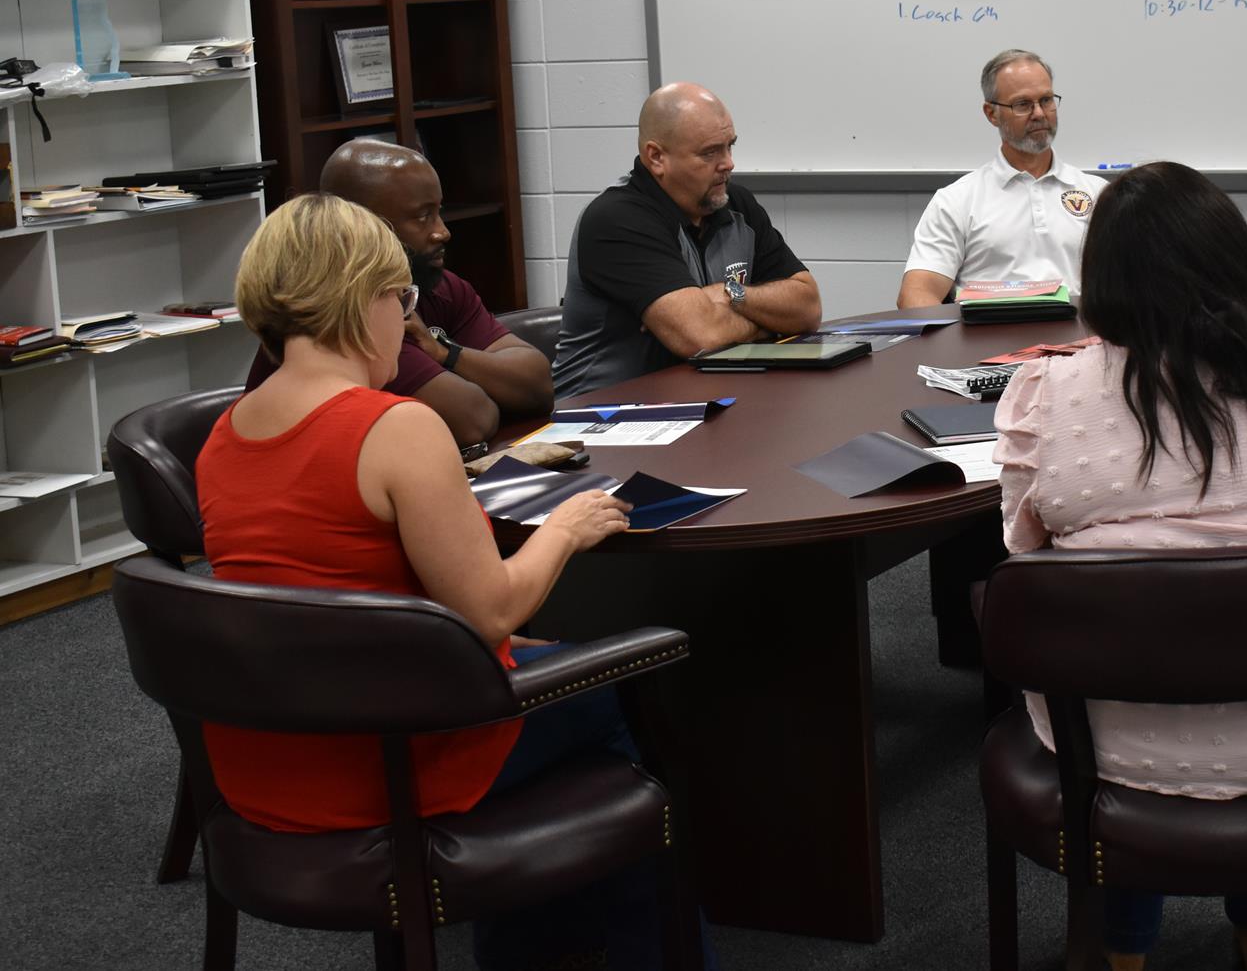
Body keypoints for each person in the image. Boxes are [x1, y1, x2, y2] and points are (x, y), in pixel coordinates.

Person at [198, 193, 689, 969]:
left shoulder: (225, 436)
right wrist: (566, 529)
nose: (408, 319)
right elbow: (491, 609)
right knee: (613, 702)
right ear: (361, 297)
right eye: (402, 298)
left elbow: (338, 596)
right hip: (388, 762)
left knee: (547, 663)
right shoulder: (396, 426)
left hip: (266, 764)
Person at [994, 161, 1247, 971]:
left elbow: (1025, 557)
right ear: (1235, 259)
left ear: (1101, 276)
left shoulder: (1046, 393)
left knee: (1119, 667)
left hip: (1106, 752)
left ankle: (1123, 945)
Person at [245, 139, 553, 448]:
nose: (442, 231)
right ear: (365, 226)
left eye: (438, 211)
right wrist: (486, 382)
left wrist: (444, 353)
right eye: (422, 216)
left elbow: (537, 386)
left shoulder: (439, 287)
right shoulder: (344, 310)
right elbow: (472, 419)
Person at [553, 81, 821, 397]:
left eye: (729, 146)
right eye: (710, 152)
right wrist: (768, 323)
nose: (728, 163)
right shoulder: (616, 219)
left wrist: (729, 293)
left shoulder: (737, 205)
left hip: (701, 403)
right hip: (607, 422)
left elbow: (807, 308)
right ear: (656, 157)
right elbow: (701, 336)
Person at [895, 48, 1108, 308]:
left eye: (1047, 100)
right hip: (987, 345)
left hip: (1081, 340)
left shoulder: (1099, 194)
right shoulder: (957, 200)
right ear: (991, 114)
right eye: (1023, 104)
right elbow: (915, 296)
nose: (1039, 113)